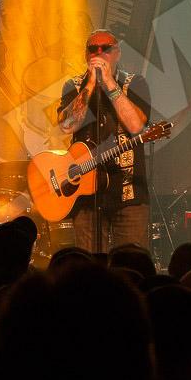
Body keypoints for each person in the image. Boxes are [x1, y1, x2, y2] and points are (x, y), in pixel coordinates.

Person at [55, 28, 153, 253]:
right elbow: (67, 126)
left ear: (117, 53)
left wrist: (109, 83)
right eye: (93, 49)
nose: (99, 53)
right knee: (90, 264)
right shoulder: (73, 86)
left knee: (130, 261)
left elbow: (136, 126)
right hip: (86, 195)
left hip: (129, 193)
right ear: (86, 55)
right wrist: (90, 85)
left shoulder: (135, 83)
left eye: (106, 49)